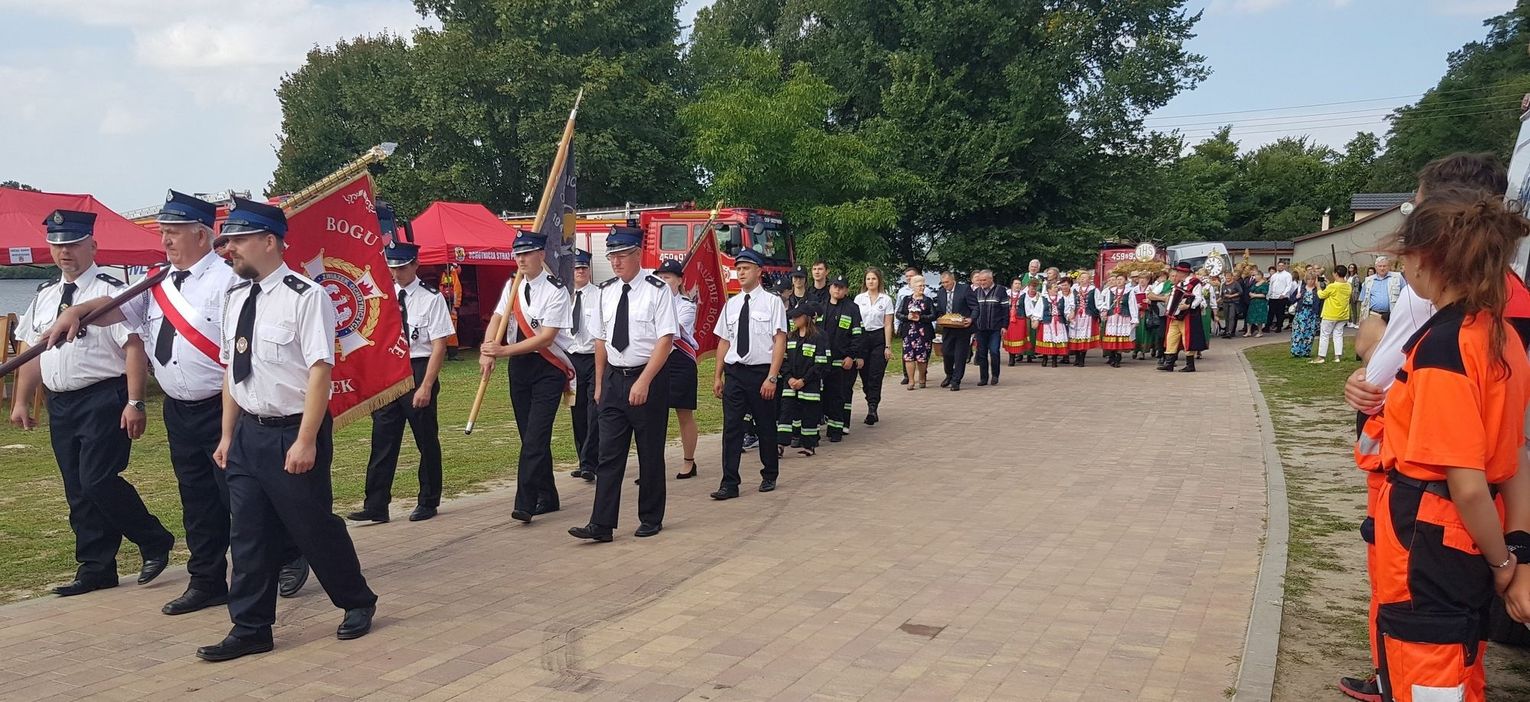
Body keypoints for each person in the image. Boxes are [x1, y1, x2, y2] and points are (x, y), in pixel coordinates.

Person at [45, 192, 312, 612]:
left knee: (239, 497)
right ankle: (207, 579)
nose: (165, 240)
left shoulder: (230, 280)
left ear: (201, 236)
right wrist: (76, 311)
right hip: (180, 409)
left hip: (224, 406)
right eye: (163, 232)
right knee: (197, 499)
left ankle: (288, 554)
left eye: (173, 232)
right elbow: (116, 308)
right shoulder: (157, 281)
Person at [1366, 192, 1530, 702]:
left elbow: (1467, 483)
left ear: (1424, 260)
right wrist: (1516, 549)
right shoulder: (1501, 335)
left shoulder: (1443, 347)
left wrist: (1502, 564)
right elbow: (1515, 457)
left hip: (1430, 535)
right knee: (1461, 658)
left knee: (1426, 664)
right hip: (1474, 532)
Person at [200, 197, 377, 661]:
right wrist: (227, 435)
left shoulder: (306, 296)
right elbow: (232, 372)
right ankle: (251, 627)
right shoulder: (235, 298)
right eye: (228, 241)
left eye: (238, 240)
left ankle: (357, 600)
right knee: (248, 535)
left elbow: (320, 370)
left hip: (293, 431)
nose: (229, 249)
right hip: (248, 434)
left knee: (311, 526)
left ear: (269, 241)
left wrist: (305, 440)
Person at [11, 210, 175, 598]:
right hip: (61, 402)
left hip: (103, 397)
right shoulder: (46, 296)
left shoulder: (112, 290)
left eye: (73, 243)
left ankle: (153, 538)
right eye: (57, 245)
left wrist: (135, 401)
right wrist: (20, 400)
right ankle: (96, 566)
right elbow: (31, 351)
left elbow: (133, 347)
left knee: (97, 480)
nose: (64, 252)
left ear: (93, 246)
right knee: (77, 488)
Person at [569, 228, 676, 542]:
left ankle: (651, 517)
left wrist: (644, 381)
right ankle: (601, 524)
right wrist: (600, 383)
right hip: (614, 379)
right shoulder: (606, 291)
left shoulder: (657, 290)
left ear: (637, 254)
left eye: (622, 255)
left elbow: (665, 341)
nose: (615, 262)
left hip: (648, 378)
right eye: (611, 256)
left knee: (649, 452)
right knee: (608, 453)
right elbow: (601, 340)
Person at [352, 238, 453, 523]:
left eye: (402, 268)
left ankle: (428, 499)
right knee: (382, 438)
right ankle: (376, 504)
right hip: (390, 369)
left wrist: (426, 385)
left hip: (418, 367)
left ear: (415, 265)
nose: (396, 273)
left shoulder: (431, 298)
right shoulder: (384, 295)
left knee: (425, 439)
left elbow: (439, 346)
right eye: (393, 268)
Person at [482, 231, 574, 525]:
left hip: (547, 368)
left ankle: (525, 503)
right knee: (529, 434)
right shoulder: (513, 285)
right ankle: (548, 495)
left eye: (527, 253)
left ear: (541, 255)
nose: (521, 259)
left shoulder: (556, 290)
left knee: (536, 436)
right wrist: (487, 349)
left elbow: (546, 338)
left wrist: (502, 351)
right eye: (517, 254)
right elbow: (498, 317)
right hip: (519, 367)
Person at [709, 248, 787, 500]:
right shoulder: (731, 305)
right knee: (732, 428)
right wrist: (718, 375)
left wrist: (772, 377)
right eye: (738, 269)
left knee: (765, 425)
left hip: (761, 372)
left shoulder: (772, 302)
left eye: (746, 268)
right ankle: (729, 483)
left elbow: (779, 340)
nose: (741, 273)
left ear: (758, 271)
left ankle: (769, 473)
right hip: (735, 373)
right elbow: (724, 341)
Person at [655, 259, 701, 479]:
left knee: (684, 413)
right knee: (653, 415)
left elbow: (672, 331)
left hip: (680, 361)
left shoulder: (686, 305)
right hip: (657, 361)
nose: (663, 282)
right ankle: (652, 465)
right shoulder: (651, 302)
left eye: (667, 278)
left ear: (680, 280)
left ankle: (689, 461)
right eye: (660, 278)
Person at [566, 250, 602, 482]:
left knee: (593, 410)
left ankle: (590, 462)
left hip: (593, 357)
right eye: (576, 268)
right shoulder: (564, 295)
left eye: (583, 268)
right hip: (571, 358)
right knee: (576, 410)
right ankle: (583, 459)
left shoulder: (599, 295)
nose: (580, 271)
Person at [777, 303, 829, 456]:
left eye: (797, 317)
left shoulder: (818, 337)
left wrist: (804, 381)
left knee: (809, 415)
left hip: (810, 385)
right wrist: (789, 378)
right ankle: (780, 445)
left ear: (806, 318)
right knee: (785, 414)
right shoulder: (790, 337)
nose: (793, 320)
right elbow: (783, 360)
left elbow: (820, 363)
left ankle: (809, 445)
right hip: (790, 384)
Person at [820, 277, 864, 439]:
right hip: (822, 360)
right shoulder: (821, 306)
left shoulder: (852, 308)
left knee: (838, 395)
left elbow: (858, 334)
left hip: (842, 360)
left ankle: (836, 430)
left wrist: (851, 356)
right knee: (823, 395)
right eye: (835, 286)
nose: (837, 290)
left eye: (841, 287)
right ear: (830, 288)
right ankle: (826, 423)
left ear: (846, 290)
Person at [854, 267, 895, 424]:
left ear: (879, 281)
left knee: (876, 375)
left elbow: (888, 324)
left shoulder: (886, 299)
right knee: (864, 374)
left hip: (879, 338)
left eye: (874, 279)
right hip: (863, 337)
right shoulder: (859, 299)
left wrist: (888, 346)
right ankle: (869, 399)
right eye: (868, 279)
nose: (871, 282)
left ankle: (872, 408)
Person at [1159, 263, 1207, 373]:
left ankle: (1190, 365)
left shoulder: (1195, 283)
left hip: (1188, 316)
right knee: (1171, 337)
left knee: (1187, 339)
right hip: (1175, 316)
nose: (1176, 274)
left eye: (1178, 272)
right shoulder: (1179, 284)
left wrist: (1188, 306)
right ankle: (1169, 363)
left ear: (1184, 273)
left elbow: (1198, 298)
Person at [934, 272, 976, 390]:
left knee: (960, 355)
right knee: (946, 352)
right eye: (943, 283)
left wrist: (971, 319)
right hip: (948, 327)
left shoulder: (964, 289)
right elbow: (939, 310)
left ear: (953, 280)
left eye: (947, 282)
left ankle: (956, 380)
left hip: (962, 328)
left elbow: (975, 307)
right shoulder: (941, 292)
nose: (945, 285)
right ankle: (949, 374)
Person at [969, 269, 1009, 385]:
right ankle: (983, 378)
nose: (982, 282)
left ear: (991, 279)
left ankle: (995, 375)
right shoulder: (976, 292)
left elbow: (1005, 310)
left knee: (994, 351)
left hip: (995, 328)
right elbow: (973, 309)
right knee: (981, 353)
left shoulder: (1000, 290)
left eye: (984, 280)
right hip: (980, 328)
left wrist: (1004, 326)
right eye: (980, 280)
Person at [898, 276, 935, 389]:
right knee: (908, 357)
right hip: (909, 332)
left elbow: (933, 315)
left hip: (923, 333)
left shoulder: (927, 300)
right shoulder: (906, 299)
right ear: (913, 286)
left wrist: (921, 318)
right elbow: (898, 314)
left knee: (922, 358)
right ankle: (911, 380)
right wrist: (907, 317)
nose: (922, 288)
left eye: (923, 285)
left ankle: (922, 377)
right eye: (920, 286)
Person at [1097, 274, 1138, 368]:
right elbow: (1106, 303)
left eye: (1121, 279)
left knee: (1120, 336)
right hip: (1112, 317)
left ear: (1125, 281)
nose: (1119, 281)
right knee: (1112, 336)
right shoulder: (1110, 291)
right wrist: (1104, 311)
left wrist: (1134, 318)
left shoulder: (1129, 291)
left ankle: (1118, 357)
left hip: (1123, 317)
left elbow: (1132, 305)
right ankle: (1112, 356)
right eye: (1117, 279)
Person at [1314, 267, 1352, 364]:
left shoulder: (1333, 286)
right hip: (1343, 315)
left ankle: (1321, 357)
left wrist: (1318, 286)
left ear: (1335, 274)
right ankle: (1337, 356)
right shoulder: (1348, 285)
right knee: (1338, 334)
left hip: (1330, 314)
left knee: (1324, 335)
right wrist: (1328, 285)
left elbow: (1321, 295)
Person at [1033, 276, 1072, 368]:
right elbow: (1038, 310)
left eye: (1057, 287)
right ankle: (1045, 358)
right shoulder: (1043, 298)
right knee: (1047, 340)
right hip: (1047, 323)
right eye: (1054, 287)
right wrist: (1036, 319)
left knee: (1056, 341)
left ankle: (1054, 360)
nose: (1057, 289)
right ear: (1049, 289)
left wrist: (1069, 316)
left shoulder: (1062, 298)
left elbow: (1066, 310)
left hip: (1059, 323)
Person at [1065, 274, 1099, 367]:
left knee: (1084, 336)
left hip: (1087, 316)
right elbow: (1071, 302)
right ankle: (1077, 358)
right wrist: (1070, 312)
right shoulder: (1074, 289)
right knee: (1075, 336)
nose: (1082, 279)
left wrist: (1100, 312)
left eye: (1085, 278)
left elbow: (1098, 302)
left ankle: (1082, 359)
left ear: (1089, 279)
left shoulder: (1093, 290)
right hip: (1076, 315)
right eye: (1081, 278)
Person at [1359, 256, 1405, 323]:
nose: (1382, 268)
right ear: (1376, 267)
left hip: (1391, 315)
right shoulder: (1368, 280)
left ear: (1389, 267)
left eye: (1384, 266)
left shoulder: (1397, 278)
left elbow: (1406, 295)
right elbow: (1363, 301)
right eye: (1380, 266)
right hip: (1373, 315)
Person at [1289, 269, 1319, 359]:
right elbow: (1291, 299)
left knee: (1309, 333)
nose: (1311, 281)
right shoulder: (1301, 288)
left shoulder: (1317, 290)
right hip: (1301, 312)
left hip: (1312, 313)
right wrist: (1296, 297)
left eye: (1312, 279)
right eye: (1309, 279)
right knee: (1298, 331)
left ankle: (1306, 351)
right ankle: (1296, 351)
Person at [1003, 277, 1032, 365]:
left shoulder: (1024, 295)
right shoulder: (1006, 293)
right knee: (1009, 337)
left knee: (1018, 337)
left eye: (1019, 284)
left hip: (1020, 319)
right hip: (1008, 319)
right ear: (1012, 285)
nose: (1018, 285)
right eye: (1016, 283)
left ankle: (1017, 354)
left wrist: (1030, 316)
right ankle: (1011, 357)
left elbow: (1028, 307)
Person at [1266, 260, 1295, 333]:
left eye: (1282, 266)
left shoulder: (1287, 275)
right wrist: (1269, 295)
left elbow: (1289, 285)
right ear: (1277, 266)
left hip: (1281, 297)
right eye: (1279, 265)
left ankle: (1279, 327)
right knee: (1270, 313)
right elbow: (1271, 285)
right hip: (1273, 297)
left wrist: (1284, 294)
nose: (1280, 267)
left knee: (1280, 313)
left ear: (1284, 266)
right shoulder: (1274, 275)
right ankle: (1267, 327)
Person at [1244, 270, 1269, 338]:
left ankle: (1260, 332)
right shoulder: (1255, 283)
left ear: (1260, 275)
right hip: (1253, 302)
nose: (1254, 277)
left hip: (1260, 303)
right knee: (1250, 316)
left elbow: (1264, 295)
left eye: (1255, 275)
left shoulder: (1265, 284)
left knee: (1259, 318)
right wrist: (1250, 294)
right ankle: (1248, 332)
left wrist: (1254, 295)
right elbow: (1250, 290)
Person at [1219, 273, 1243, 339]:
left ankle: (1230, 332)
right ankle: (1227, 331)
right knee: (1226, 317)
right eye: (1226, 277)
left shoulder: (1236, 283)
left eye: (1229, 277)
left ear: (1232, 277)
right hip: (1225, 302)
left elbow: (1240, 292)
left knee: (1231, 317)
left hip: (1233, 302)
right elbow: (1222, 294)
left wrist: (1232, 295)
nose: (1227, 278)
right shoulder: (1223, 284)